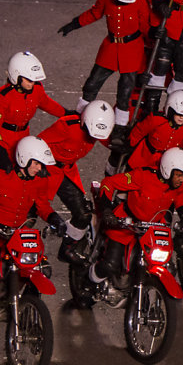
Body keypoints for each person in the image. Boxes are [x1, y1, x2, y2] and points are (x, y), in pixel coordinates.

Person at [0, 136, 65, 297]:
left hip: (18, 236)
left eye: (41, 165)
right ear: (24, 158)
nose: (39, 168)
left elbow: (42, 206)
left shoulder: (39, 182)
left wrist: (54, 219)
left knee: (43, 270)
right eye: (36, 163)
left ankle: (26, 303)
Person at [58, 0, 153, 135]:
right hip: (110, 48)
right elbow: (95, 13)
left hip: (132, 50)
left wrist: (155, 38)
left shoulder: (140, 1)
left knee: (125, 92)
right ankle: (81, 115)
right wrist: (75, 23)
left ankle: (120, 127)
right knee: (91, 84)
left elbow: (146, 28)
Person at [89, 148, 183, 290]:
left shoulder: (177, 184)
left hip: (153, 230)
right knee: (110, 264)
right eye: (178, 175)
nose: (181, 179)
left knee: (168, 267)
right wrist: (107, 210)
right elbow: (109, 183)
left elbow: (180, 198)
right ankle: (88, 283)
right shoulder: (142, 176)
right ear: (167, 170)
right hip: (125, 224)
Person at [38, 100, 115, 263]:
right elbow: (39, 142)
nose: (94, 138)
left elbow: (109, 142)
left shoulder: (95, 128)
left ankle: (67, 248)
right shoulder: (66, 126)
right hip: (48, 169)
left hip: (67, 171)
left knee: (83, 214)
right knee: (30, 207)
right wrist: (40, 164)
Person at [0, 51, 67, 171]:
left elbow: (46, 103)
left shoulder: (36, 88)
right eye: (29, 80)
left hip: (22, 138)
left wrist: (66, 112)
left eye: (34, 80)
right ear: (17, 76)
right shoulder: (3, 97)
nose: (32, 84)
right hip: (3, 139)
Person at [114, 90, 183, 174]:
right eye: (178, 114)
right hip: (143, 158)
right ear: (170, 111)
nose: (181, 118)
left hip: (166, 163)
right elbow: (139, 131)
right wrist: (129, 144)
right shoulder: (155, 120)